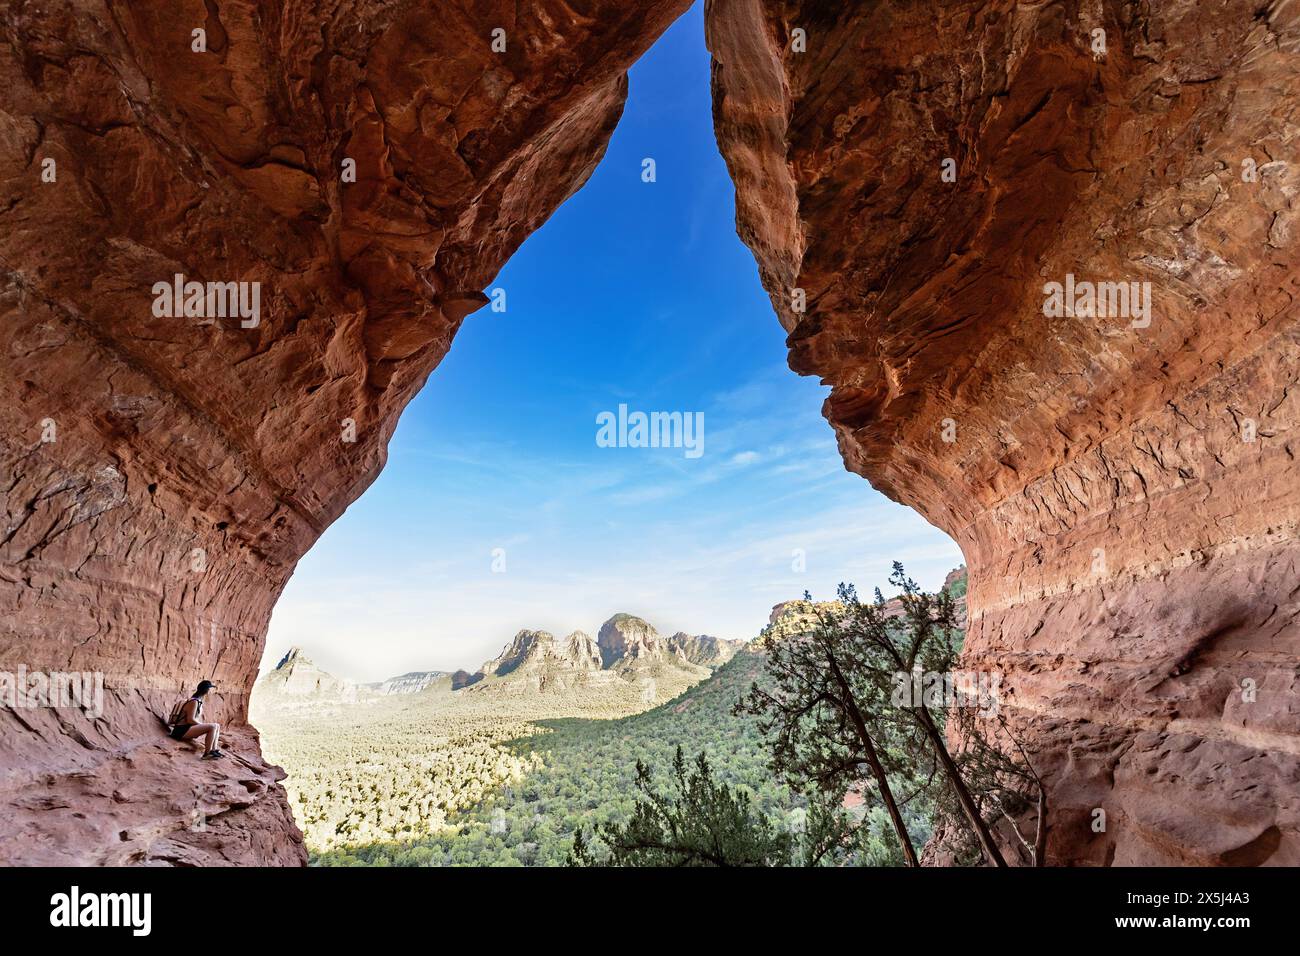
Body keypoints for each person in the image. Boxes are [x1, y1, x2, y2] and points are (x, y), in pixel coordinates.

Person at [170, 680, 224, 760]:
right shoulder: (194, 701)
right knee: (212, 726)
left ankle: (214, 750)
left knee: (217, 725)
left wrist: (201, 726)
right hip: (180, 731)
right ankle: (207, 753)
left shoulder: (197, 700)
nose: (209, 691)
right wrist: (201, 726)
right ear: (206, 690)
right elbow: (190, 720)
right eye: (209, 689)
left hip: (186, 728)